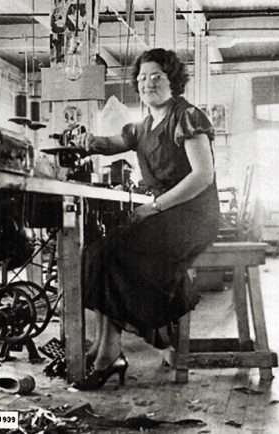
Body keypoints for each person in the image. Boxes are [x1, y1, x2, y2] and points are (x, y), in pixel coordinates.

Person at [75, 48, 220, 390]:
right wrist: (89, 141)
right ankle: (107, 343)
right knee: (96, 252)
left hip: (193, 216)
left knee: (115, 251)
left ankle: (113, 352)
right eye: (141, 78)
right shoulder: (143, 127)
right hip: (166, 215)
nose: (147, 83)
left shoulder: (186, 116)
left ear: (173, 81)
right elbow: (112, 141)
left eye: (156, 76)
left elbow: (203, 176)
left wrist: (154, 208)